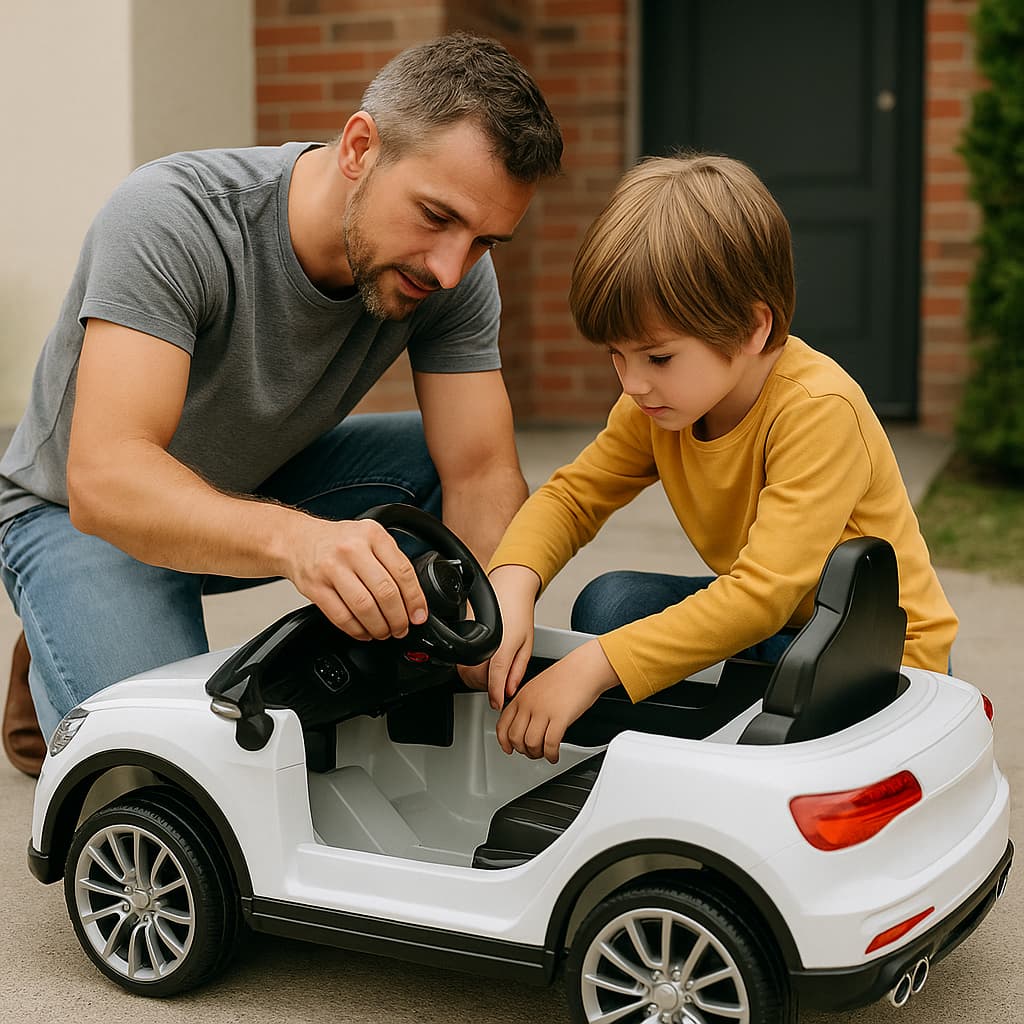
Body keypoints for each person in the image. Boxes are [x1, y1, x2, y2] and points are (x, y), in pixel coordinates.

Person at [0, 32, 563, 776]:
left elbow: (482, 474)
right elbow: (105, 478)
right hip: (85, 514)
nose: (452, 268)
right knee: (183, 774)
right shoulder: (172, 218)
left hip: (262, 478)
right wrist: (300, 543)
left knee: (437, 472)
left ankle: (372, 684)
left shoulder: (449, 278)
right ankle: (68, 618)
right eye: (435, 216)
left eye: (485, 241)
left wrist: (484, 633)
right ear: (360, 147)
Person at [465, 154, 958, 764]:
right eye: (615, 356)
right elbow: (574, 496)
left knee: (616, 654)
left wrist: (594, 667)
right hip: (777, 627)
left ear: (753, 328)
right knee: (611, 605)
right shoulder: (657, 405)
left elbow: (760, 598)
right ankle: (697, 750)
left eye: (657, 357)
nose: (633, 383)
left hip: (877, 649)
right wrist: (512, 581)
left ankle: (717, 758)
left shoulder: (817, 409)